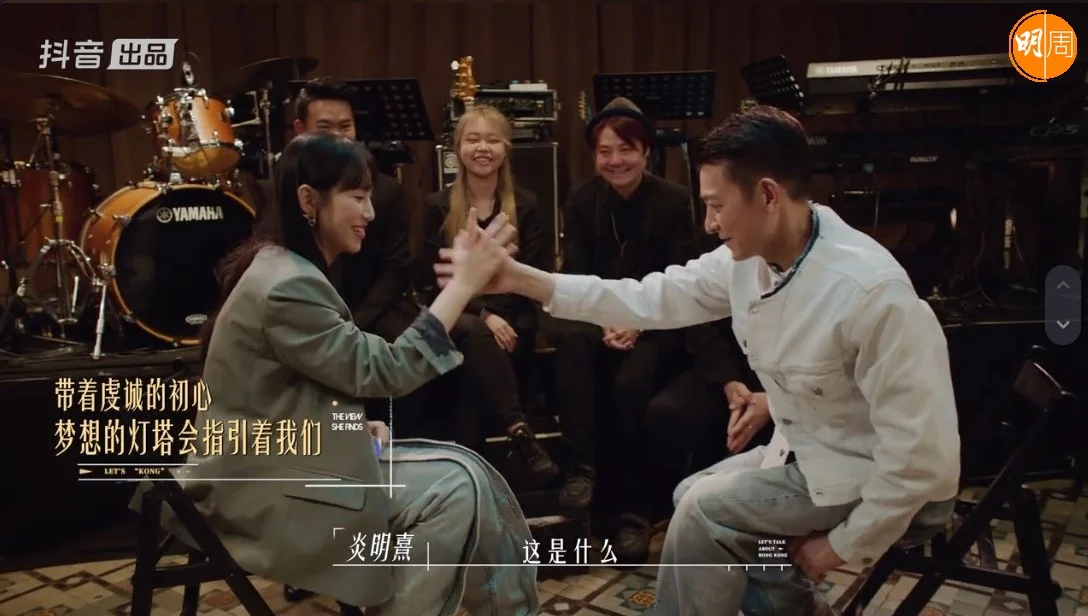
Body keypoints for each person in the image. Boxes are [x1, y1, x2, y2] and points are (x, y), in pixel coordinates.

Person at [436, 105, 961, 615]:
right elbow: (650, 297)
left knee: (702, 513)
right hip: (811, 450)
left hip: (880, 479)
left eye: (716, 206)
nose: (709, 224)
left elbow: (921, 464)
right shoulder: (752, 257)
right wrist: (520, 279)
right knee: (692, 492)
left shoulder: (870, 293)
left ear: (768, 196)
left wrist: (842, 545)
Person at [168, 132, 539, 616]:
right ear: (308, 200)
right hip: (258, 491)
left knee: (472, 474)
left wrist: (348, 424)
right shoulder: (286, 285)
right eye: (358, 198)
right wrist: (463, 285)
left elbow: (291, 389)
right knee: (456, 489)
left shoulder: (283, 267)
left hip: (284, 463)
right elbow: (387, 369)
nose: (370, 213)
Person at [552, 97, 693, 527]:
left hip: (658, 321)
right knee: (572, 343)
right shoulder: (581, 199)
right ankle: (581, 470)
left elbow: (680, 278)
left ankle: (636, 509)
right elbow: (576, 272)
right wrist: (606, 320)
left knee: (630, 386)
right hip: (602, 315)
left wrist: (638, 323)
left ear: (646, 151)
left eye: (625, 149)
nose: (615, 161)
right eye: (604, 152)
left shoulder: (674, 200)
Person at [414, 105, 558, 484]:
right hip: (458, 317)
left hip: (514, 319)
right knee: (472, 334)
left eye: (492, 140)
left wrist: (500, 318)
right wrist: (485, 315)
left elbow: (537, 272)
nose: (483, 148)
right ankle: (518, 432)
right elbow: (431, 279)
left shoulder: (526, 205)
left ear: (506, 148)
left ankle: (467, 482)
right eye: (473, 139)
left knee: (469, 376)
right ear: (458, 148)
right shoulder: (436, 206)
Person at [290, 77, 418, 342]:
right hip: (306, 313)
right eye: (324, 127)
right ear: (300, 130)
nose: (338, 137)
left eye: (345, 127)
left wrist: (354, 325)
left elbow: (394, 271)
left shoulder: (387, 190)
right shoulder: (281, 190)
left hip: (373, 313)